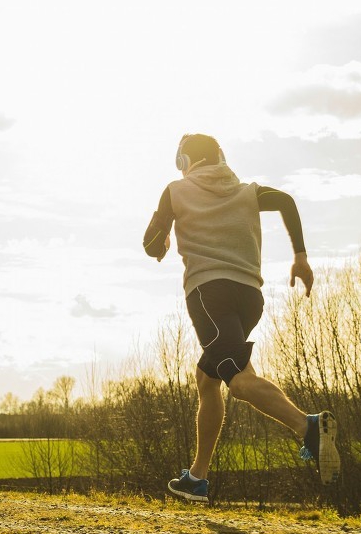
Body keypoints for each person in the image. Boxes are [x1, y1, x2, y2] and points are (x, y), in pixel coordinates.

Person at [142, 133, 339, 503]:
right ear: (220, 156)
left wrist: (162, 240)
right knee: (207, 379)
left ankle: (307, 427)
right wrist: (300, 256)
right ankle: (197, 478)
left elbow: (151, 245)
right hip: (250, 297)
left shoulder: (175, 190)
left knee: (238, 381)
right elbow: (286, 201)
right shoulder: (248, 192)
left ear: (184, 162)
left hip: (209, 295)